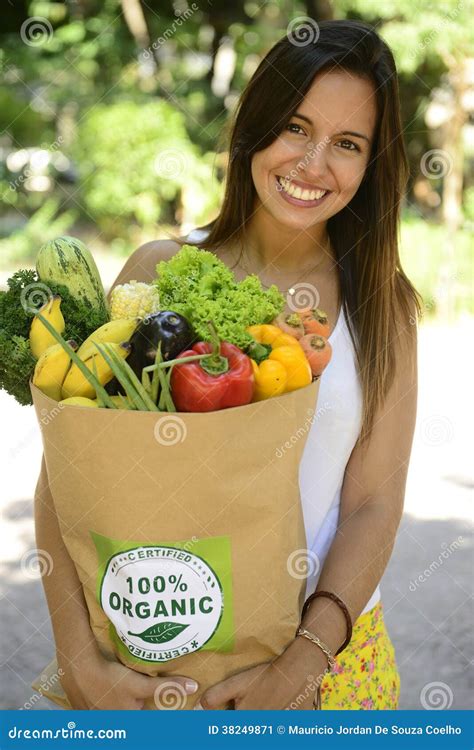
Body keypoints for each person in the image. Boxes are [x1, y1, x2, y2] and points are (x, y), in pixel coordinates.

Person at [34, 19, 420, 710]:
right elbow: (66, 484)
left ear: (372, 164)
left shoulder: (383, 307)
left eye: (348, 144)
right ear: (256, 126)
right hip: (155, 661)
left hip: (331, 662)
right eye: (296, 127)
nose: (312, 162)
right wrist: (78, 663)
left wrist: (302, 662)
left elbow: (372, 504)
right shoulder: (161, 270)